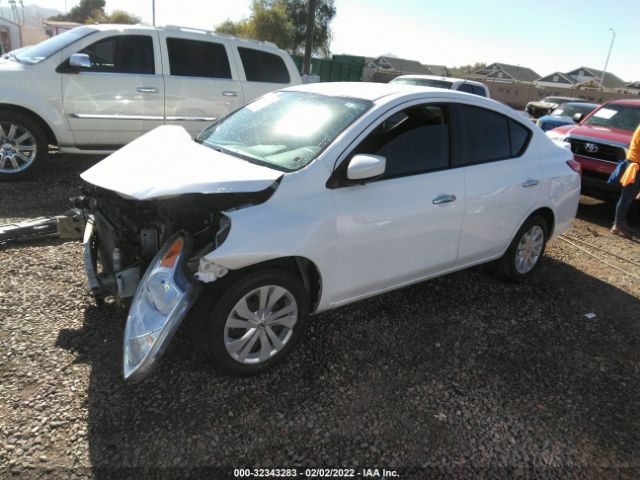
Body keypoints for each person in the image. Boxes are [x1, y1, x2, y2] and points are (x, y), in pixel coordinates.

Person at [611, 123, 640, 239]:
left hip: (635, 165)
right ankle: (617, 224)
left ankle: (621, 222)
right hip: (634, 166)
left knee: (629, 197)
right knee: (626, 197)